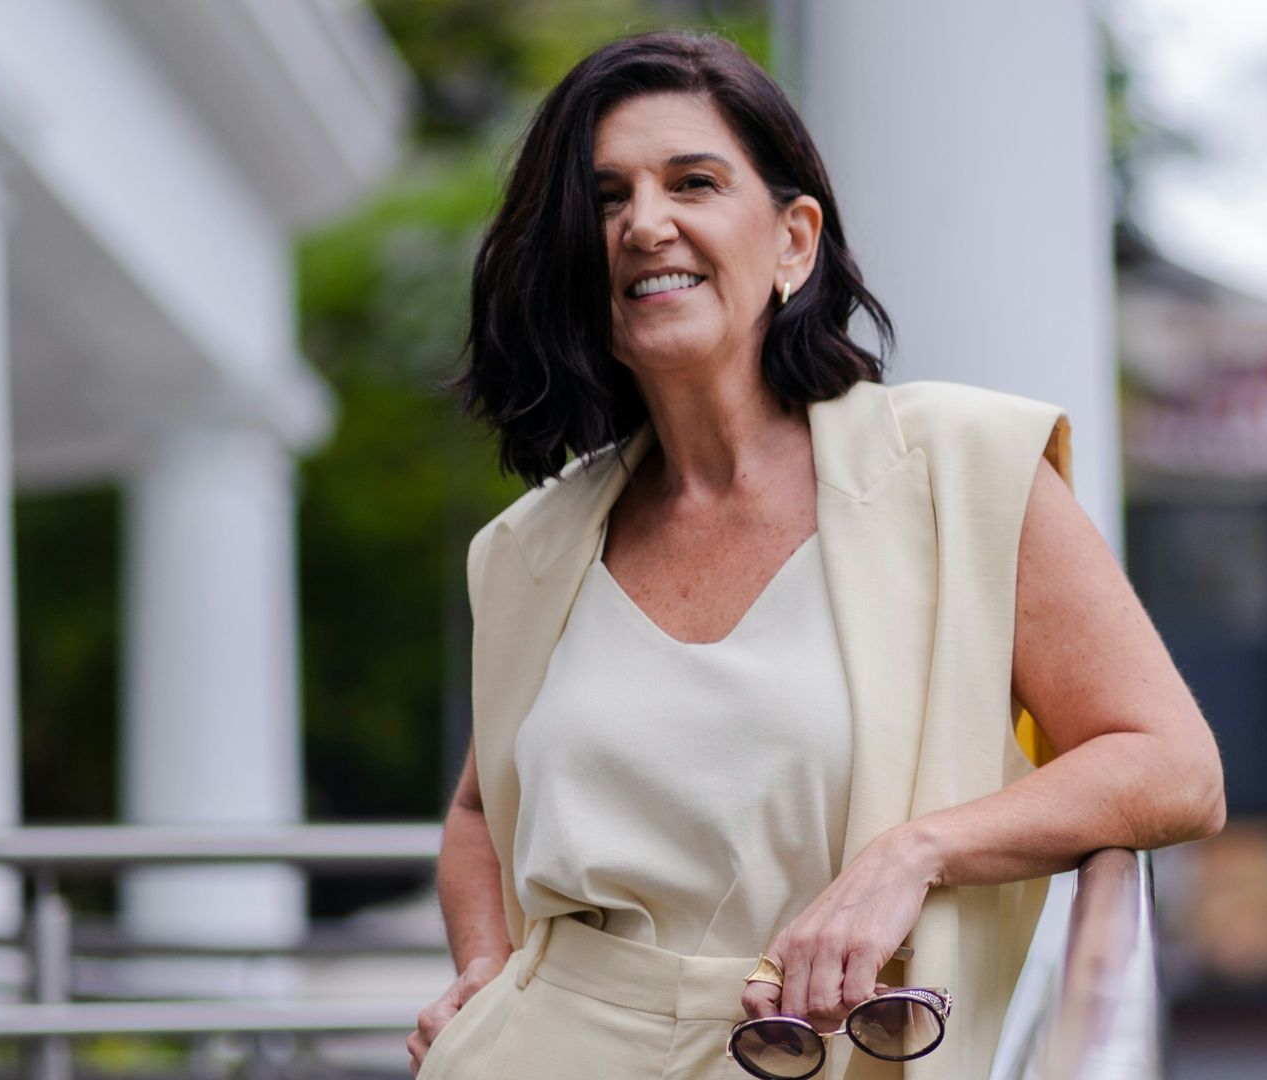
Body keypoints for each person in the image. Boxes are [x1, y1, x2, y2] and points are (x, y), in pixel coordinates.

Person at [407, 27, 1225, 1080]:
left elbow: (1172, 765)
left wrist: (913, 854)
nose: (645, 223)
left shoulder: (960, 470)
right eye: (606, 198)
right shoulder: (532, 548)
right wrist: (483, 972)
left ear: (794, 241)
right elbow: (479, 811)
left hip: (830, 1054)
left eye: (692, 182)